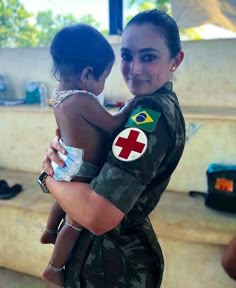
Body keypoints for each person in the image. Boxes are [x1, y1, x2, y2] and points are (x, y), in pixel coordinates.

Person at [41, 9, 185, 288]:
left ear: (175, 60)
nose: (134, 69)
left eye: (149, 57)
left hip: (114, 269)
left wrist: (49, 177)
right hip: (99, 262)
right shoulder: (145, 107)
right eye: (128, 56)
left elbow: (97, 216)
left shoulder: (149, 115)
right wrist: (62, 154)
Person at [39, 23, 134, 287]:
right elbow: (113, 125)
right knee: (75, 221)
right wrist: (130, 106)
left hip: (67, 162)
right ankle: (53, 267)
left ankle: (48, 231)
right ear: (87, 74)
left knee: (63, 199)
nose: (102, 85)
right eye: (103, 78)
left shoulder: (60, 95)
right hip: (82, 168)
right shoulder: (83, 99)